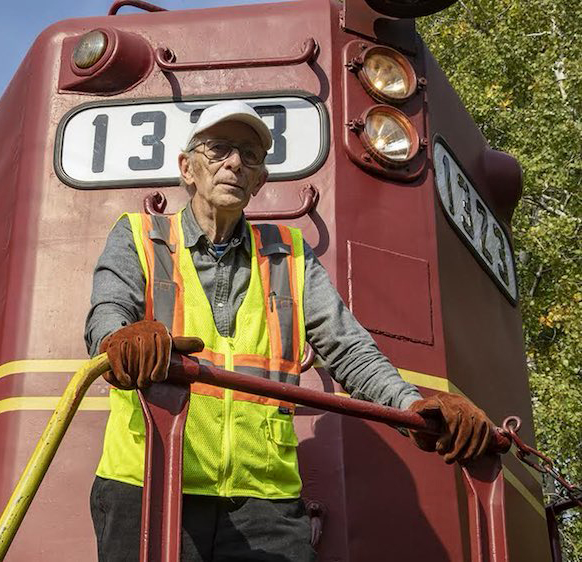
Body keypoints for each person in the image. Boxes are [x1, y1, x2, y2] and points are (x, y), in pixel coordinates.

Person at [84, 101, 494, 561]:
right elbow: (107, 317)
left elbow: (351, 351)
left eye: (250, 156)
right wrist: (119, 343)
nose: (234, 162)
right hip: (148, 480)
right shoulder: (137, 236)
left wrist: (414, 407)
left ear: (259, 182)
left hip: (265, 502)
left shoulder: (291, 256)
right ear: (187, 168)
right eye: (218, 149)